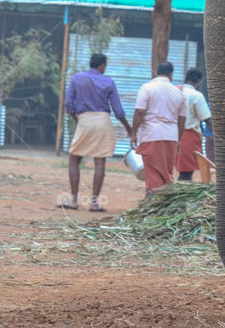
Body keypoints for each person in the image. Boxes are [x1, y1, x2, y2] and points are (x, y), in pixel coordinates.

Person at [58, 53, 131, 211]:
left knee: (74, 159)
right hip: (103, 120)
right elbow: (118, 110)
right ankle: (94, 202)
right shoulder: (109, 81)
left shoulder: (77, 78)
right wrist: (128, 128)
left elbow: (68, 104)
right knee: (100, 162)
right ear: (102, 66)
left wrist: (78, 120)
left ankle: (73, 200)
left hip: (84, 119)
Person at [130, 62, 186, 193]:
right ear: (171, 74)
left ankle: (153, 200)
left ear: (157, 72)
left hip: (151, 134)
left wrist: (133, 134)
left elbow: (139, 112)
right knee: (166, 171)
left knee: (153, 171)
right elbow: (182, 119)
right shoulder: (179, 93)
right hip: (171, 136)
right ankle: (163, 200)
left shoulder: (147, 88)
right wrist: (179, 140)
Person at [176, 68, 212, 181]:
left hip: (170, 133)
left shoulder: (174, 90)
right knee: (186, 172)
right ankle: (180, 196)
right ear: (199, 82)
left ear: (185, 78)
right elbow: (207, 119)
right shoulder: (196, 95)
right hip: (188, 136)